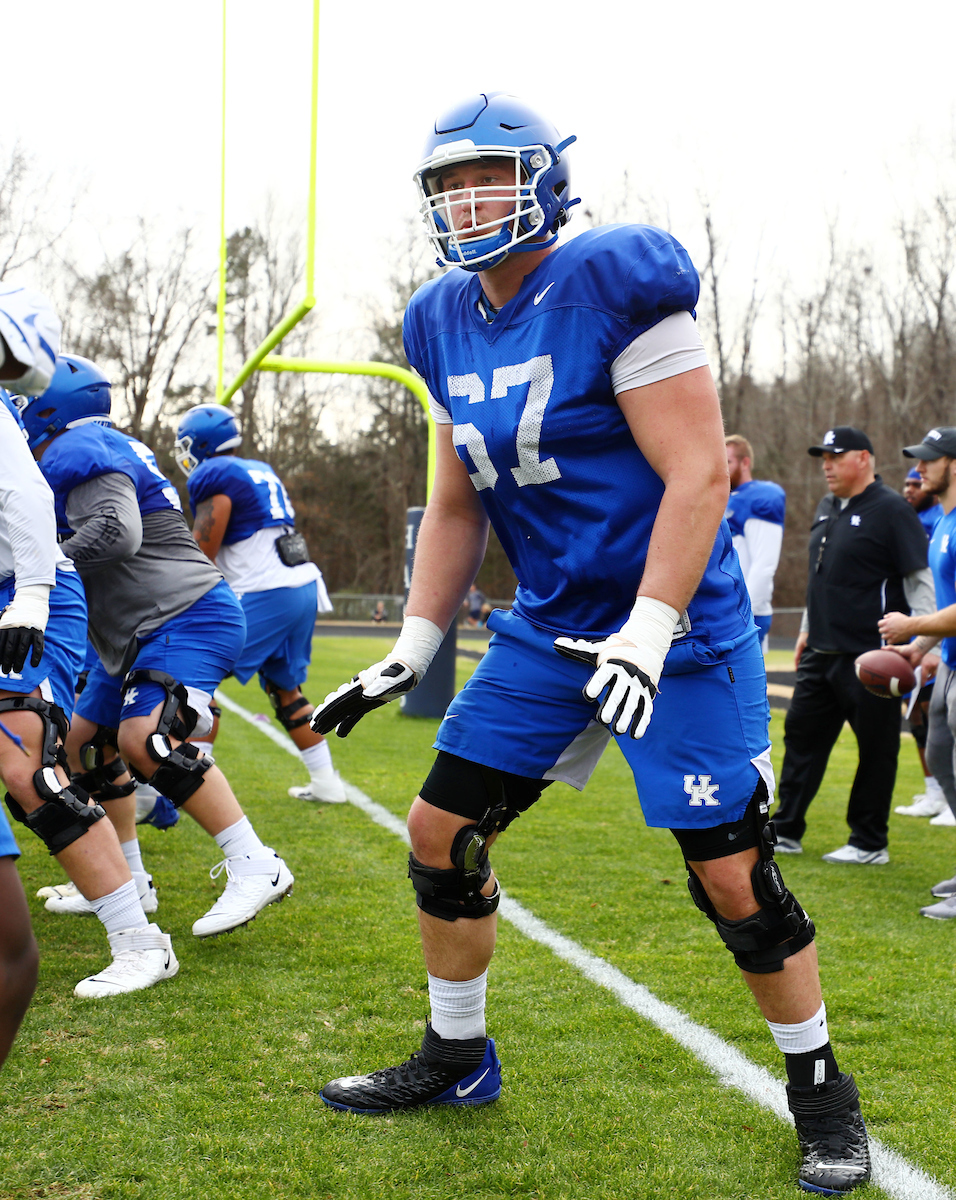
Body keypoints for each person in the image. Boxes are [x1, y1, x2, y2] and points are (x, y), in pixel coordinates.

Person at [309, 93, 870, 1194]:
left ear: (544, 181)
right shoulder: (435, 317)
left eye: (488, 177)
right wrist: (415, 644)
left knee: (730, 874)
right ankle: (457, 1055)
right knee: (439, 832)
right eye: (449, 184)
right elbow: (461, 503)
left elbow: (698, 472)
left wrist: (650, 629)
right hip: (550, 628)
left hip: (679, 631)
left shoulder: (614, 277)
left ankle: (818, 1090)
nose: (468, 201)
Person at [20, 356, 293, 939]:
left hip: (182, 615)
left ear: (49, 406)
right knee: (81, 746)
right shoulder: (98, 442)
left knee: (144, 739)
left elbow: (119, 532)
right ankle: (131, 880)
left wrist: (42, 564)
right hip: (139, 629)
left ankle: (254, 863)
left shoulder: (76, 447)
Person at [772, 426, 934, 865]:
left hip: (873, 657)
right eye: (823, 457)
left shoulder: (893, 510)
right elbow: (820, 575)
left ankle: (868, 842)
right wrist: (806, 628)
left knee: (876, 749)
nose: (826, 465)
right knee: (800, 738)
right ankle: (785, 829)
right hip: (820, 651)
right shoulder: (826, 505)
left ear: (863, 458)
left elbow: (920, 580)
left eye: (835, 456)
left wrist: (925, 642)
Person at [173, 404, 344, 805]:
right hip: (302, 585)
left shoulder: (213, 475)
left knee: (193, 673)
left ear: (199, 443)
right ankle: (327, 783)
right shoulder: (258, 469)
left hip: (269, 591)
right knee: (286, 690)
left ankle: (194, 783)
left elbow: (202, 553)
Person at [879, 427, 956, 916]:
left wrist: (912, 624)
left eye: (930, 459)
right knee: (941, 759)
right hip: (948, 665)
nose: (920, 467)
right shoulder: (943, 522)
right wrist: (918, 648)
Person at [895, 467, 948, 819]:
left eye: (916, 483)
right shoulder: (918, 520)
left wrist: (922, 636)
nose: (910, 489)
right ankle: (935, 792)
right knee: (917, 716)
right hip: (926, 636)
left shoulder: (944, 520)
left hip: (941, 638)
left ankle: (946, 795)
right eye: (908, 483)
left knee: (936, 717)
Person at [724, 435, 786, 652]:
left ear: (745, 463)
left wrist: (744, 613)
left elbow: (765, 564)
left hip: (743, 613)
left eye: (728, 461)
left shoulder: (760, 497)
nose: (723, 468)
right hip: (726, 610)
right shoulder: (727, 497)